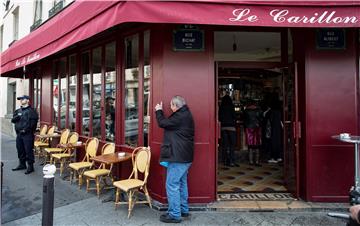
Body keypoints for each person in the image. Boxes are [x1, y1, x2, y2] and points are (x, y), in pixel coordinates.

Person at [155, 95, 195, 224]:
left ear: (175, 105)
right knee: (182, 184)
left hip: (178, 157)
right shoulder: (186, 114)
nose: (170, 108)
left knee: (172, 185)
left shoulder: (180, 116)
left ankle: (174, 214)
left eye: (171, 106)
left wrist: (158, 110)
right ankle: (183, 210)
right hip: (184, 157)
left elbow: (163, 123)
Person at [11, 95, 39, 174]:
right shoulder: (18, 111)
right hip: (19, 134)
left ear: (27, 100)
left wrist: (26, 130)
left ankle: (30, 166)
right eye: (20, 99)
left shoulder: (32, 111)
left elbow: (33, 124)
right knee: (20, 149)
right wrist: (17, 117)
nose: (21, 100)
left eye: (22, 99)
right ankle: (22, 164)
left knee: (28, 150)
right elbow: (13, 120)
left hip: (27, 135)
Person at [219, 94, 238, 167]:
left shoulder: (221, 107)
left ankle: (225, 161)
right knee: (232, 146)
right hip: (231, 128)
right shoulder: (231, 107)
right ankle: (231, 161)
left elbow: (219, 117)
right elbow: (234, 116)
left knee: (225, 145)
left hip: (223, 128)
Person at [243, 99, 262, 166]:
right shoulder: (259, 110)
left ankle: (250, 161)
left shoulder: (246, 110)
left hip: (249, 128)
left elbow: (244, 120)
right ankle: (256, 161)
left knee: (250, 146)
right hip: (257, 128)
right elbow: (261, 119)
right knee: (257, 146)